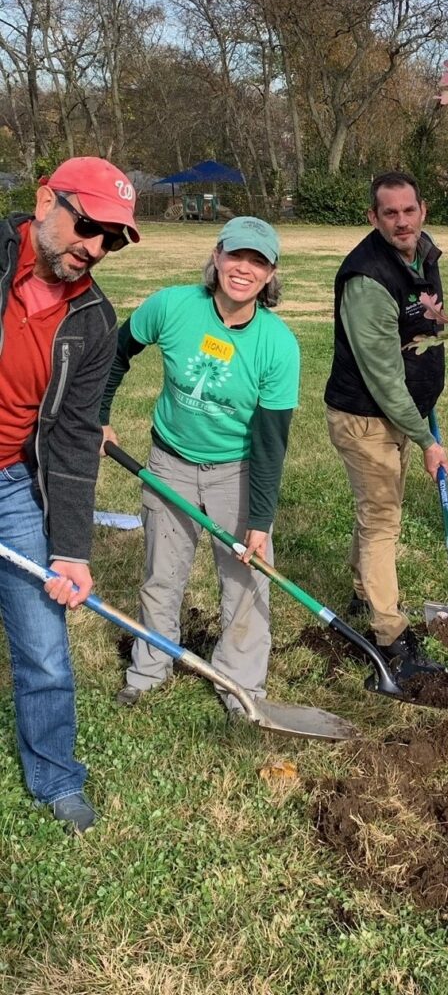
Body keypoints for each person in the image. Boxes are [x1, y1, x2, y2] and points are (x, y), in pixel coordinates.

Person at [101, 217, 299, 718]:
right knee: (161, 575)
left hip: (238, 471)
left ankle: (241, 686)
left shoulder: (277, 345)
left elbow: (271, 442)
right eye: (237, 256)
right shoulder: (172, 306)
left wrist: (259, 520)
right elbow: (115, 354)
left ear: (271, 273)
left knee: (246, 580)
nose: (244, 269)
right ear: (217, 256)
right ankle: (150, 668)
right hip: (169, 464)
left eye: (258, 262)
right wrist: (99, 417)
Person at [0, 156, 140, 832]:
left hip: (10, 485)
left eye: (111, 240)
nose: (94, 248)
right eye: (88, 226)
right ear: (44, 200)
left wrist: (73, 553)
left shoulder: (93, 319)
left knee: (44, 645)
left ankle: (55, 776)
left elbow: (75, 439)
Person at [324, 171, 448, 683]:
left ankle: (361, 595)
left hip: (401, 411)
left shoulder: (424, 254)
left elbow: (422, 328)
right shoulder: (366, 278)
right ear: (373, 218)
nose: (402, 221)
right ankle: (390, 637)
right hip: (366, 417)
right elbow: (381, 375)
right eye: (390, 213)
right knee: (382, 523)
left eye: (409, 210)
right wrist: (425, 438)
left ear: (423, 209)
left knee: (377, 512)